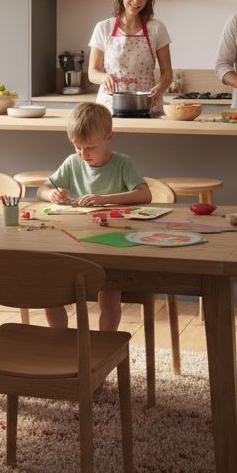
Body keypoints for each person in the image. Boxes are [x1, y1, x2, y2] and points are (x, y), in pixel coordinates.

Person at [38, 102, 151, 330]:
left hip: (110, 244)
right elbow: (41, 190)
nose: (83, 154)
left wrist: (105, 199)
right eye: (77, 147)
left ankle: (105, 342)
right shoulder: (73, 162)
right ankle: (60, 339)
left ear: (109, 137)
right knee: (49, 289)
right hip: (73, 242)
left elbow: (145, 194)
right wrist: (53, 195)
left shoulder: (122, 163)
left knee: (108, 295)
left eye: (89, 147)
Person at [88, 0, 173, 116]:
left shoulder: (156, 28)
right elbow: (92, 72)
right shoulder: (103, 28)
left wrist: (159, 88)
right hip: (110, 107)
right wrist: (103, 77)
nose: (136, 1)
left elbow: (167, 73)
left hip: (147, 105)